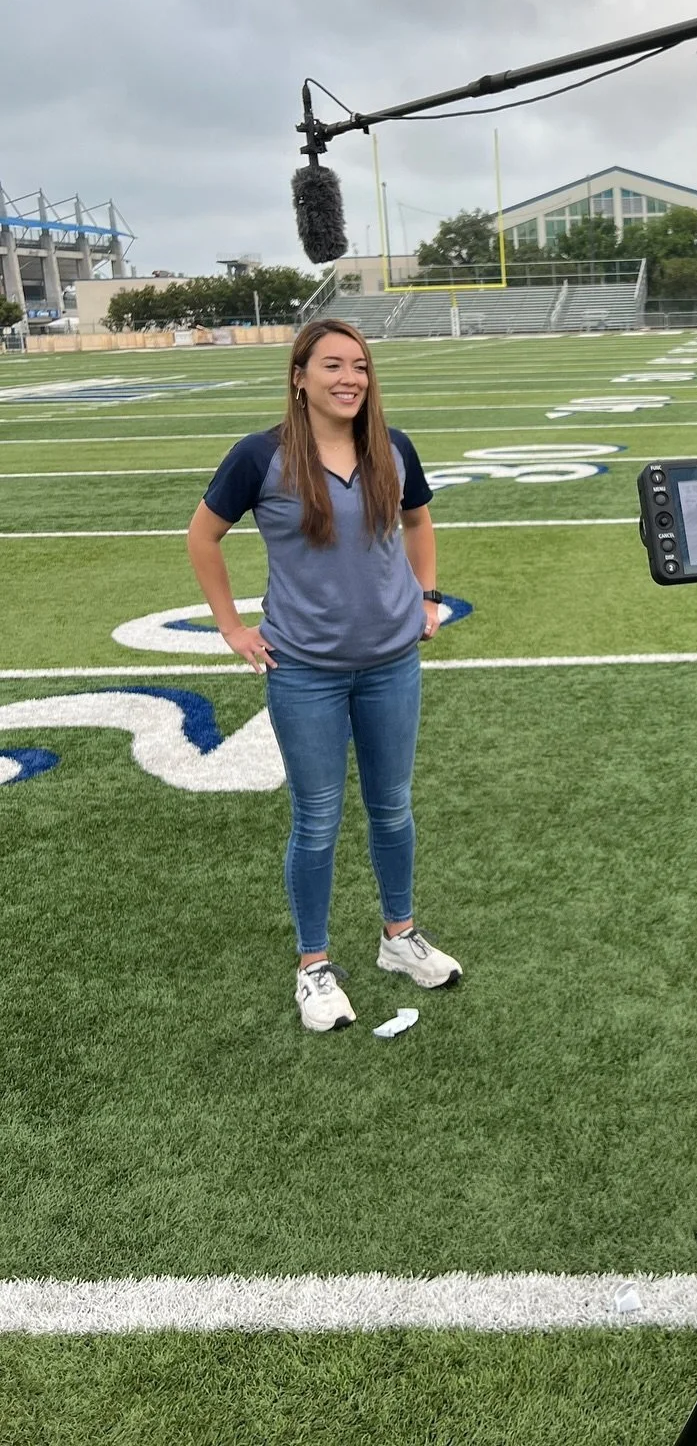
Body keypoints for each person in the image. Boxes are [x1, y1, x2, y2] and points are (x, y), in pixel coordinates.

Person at [186, 319, 461, 1033]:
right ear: (300, 376)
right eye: (333, 365)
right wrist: (231, 627)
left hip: (391, 663)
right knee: (316, 820)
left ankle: (399, 937)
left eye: (361, 367)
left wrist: (428, 597)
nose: (350, 379)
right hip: (304, 668)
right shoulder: (261, 456)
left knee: (392, 807)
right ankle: (314, 966)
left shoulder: (392, 448)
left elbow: (419, 523)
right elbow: (202, 535)